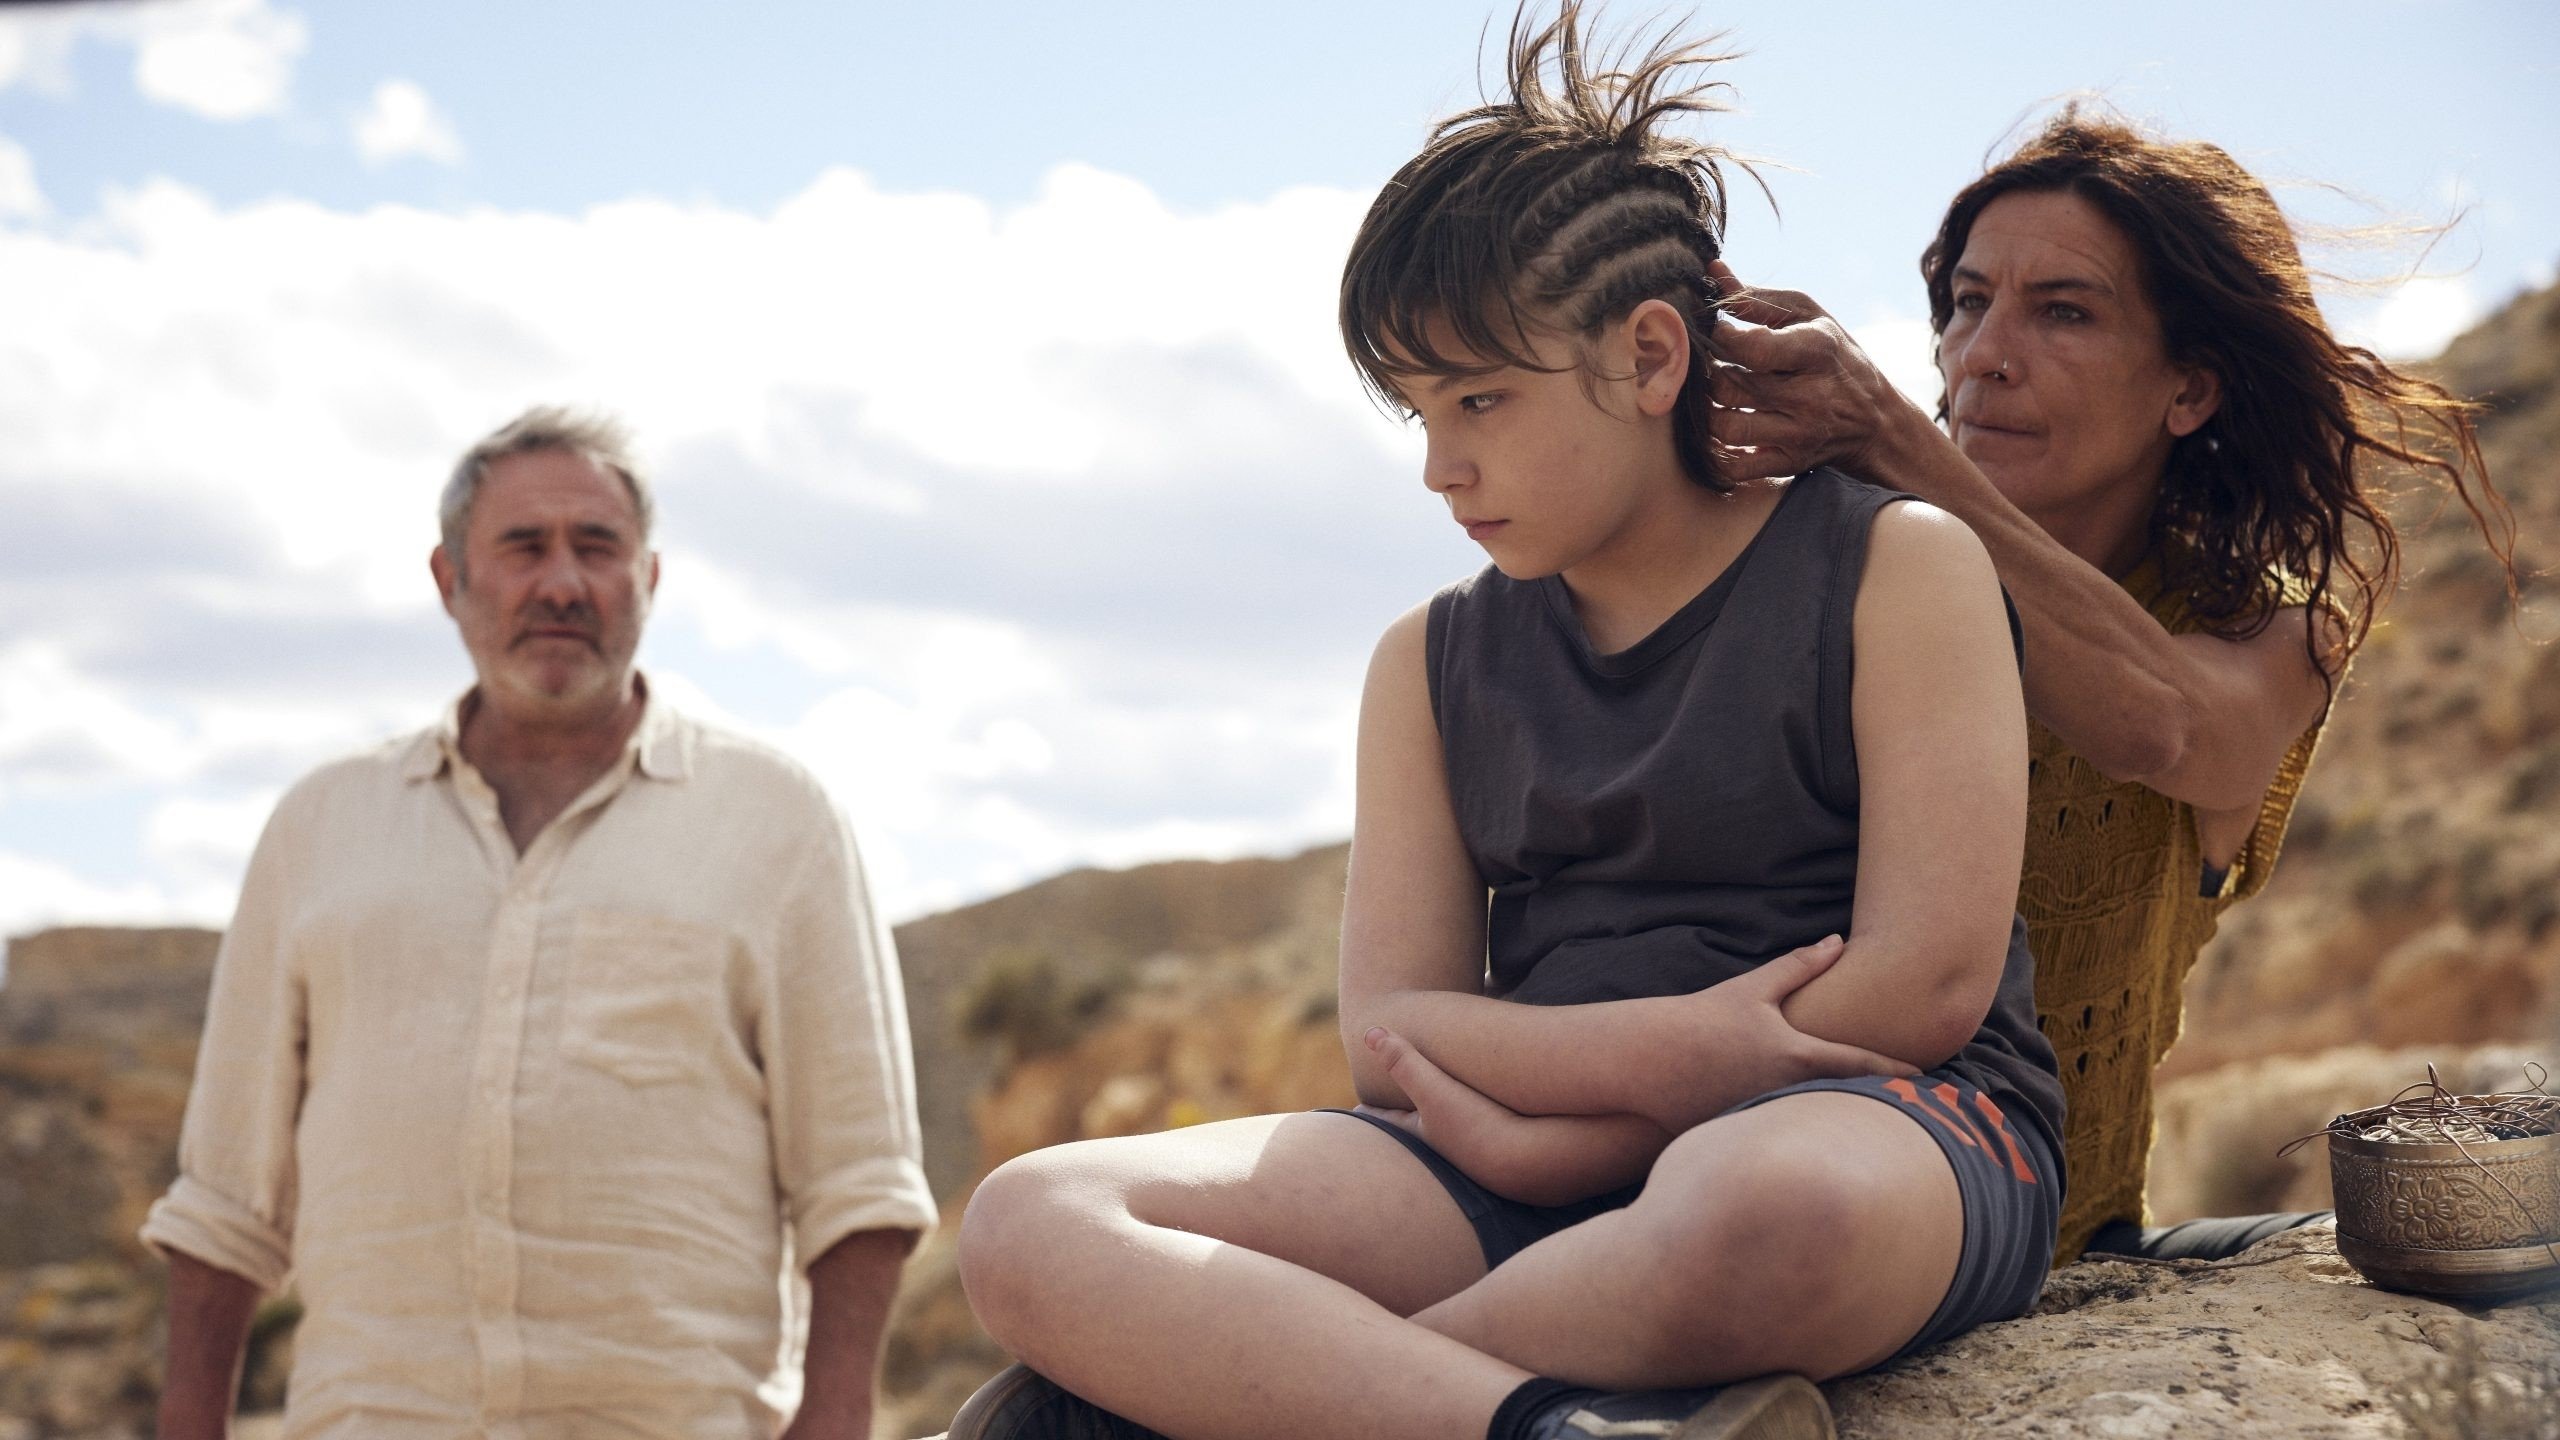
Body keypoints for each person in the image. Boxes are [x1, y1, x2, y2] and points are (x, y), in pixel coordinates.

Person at [948, 10, 2064, 1440]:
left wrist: (1591, 1128)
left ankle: (1298, 1394)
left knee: (1766, 1210)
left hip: (1877, 1118)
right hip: (1508, 1153)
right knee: (1031, 1219)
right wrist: (1647, 1072)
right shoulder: (1428, 660)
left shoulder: (1896, 563)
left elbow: (1923, 987)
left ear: (1650, 357)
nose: (1441, 465)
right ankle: (1547, 1428)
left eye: (1480, 398)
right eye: (1418, 410)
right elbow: (1391, 1034)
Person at [1698, 108, 2517, 1264]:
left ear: (2188, 392)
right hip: (1726, 1178)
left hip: (2047, 1248)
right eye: (1969, 302)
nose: (1985, 353)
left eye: (2063, 312)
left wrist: (1890, 441)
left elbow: (2165, 728)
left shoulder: (2273, 631)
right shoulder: (1834, 566)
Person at [144, 408, 938, 1439]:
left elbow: (860, 1181)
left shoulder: (777, 823)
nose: (562, 583)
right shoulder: (321, 829)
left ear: (648, 579)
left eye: (597, 547)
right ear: (451, 579)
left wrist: (833, 1423)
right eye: (523, 547)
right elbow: (224, 1200)